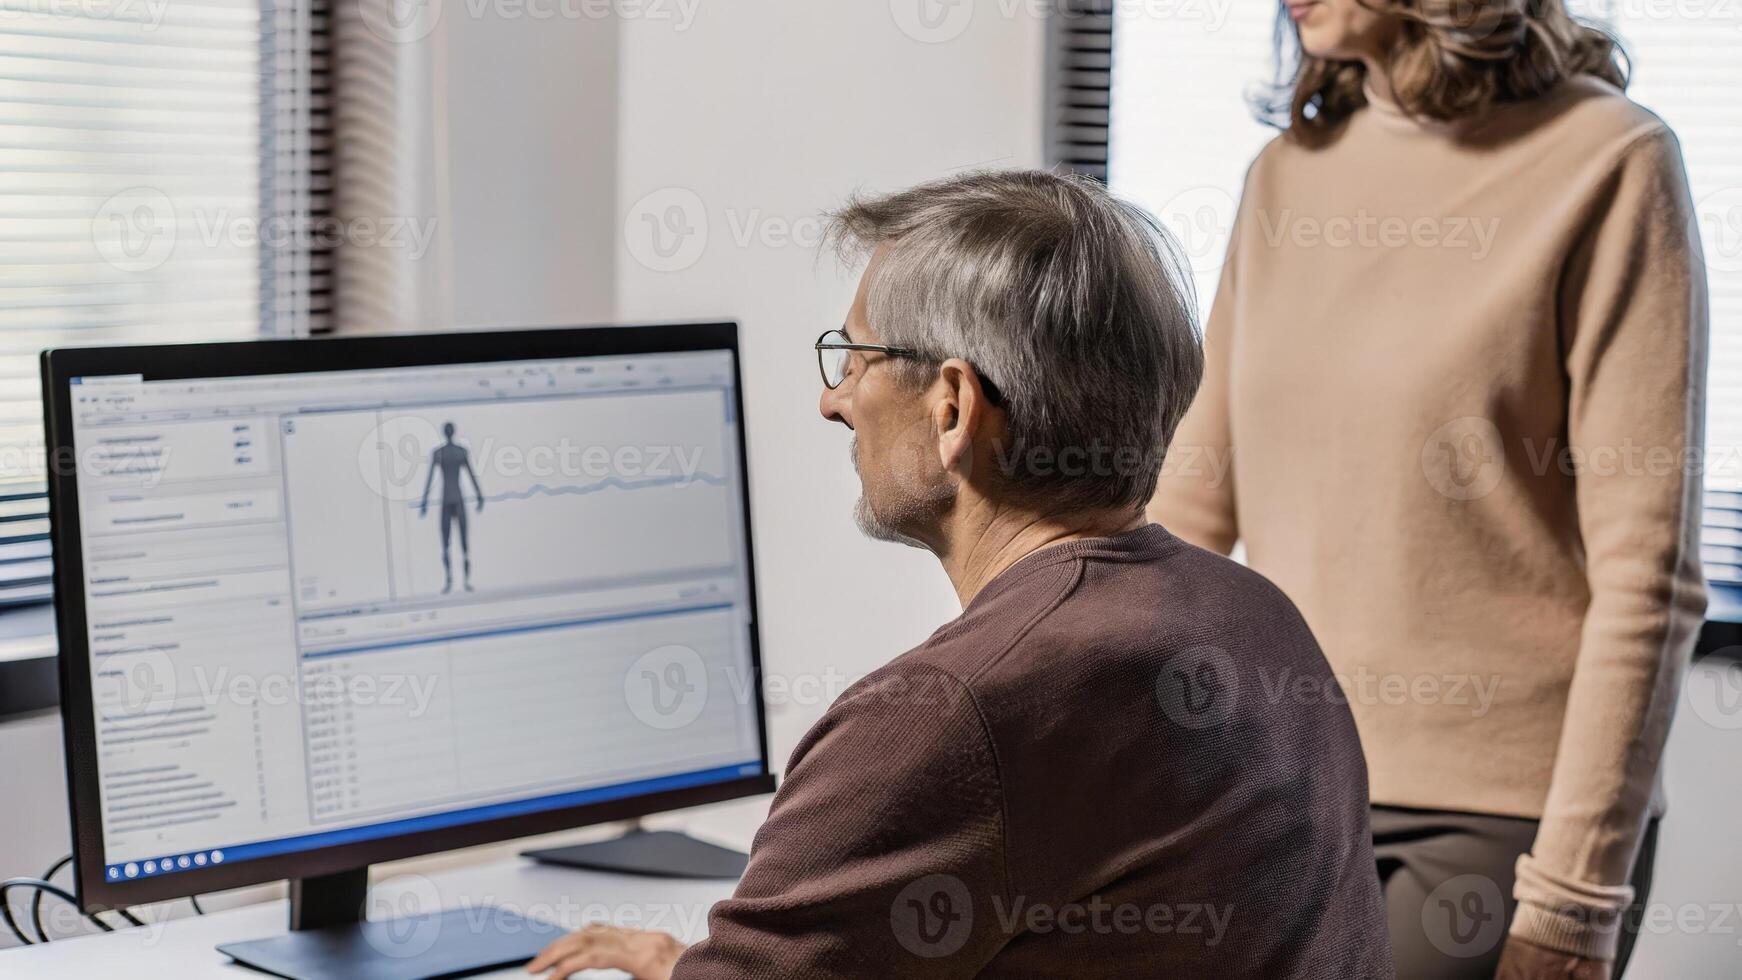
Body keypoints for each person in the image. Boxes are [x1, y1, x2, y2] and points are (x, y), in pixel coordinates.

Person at [527, 170, 1393, 979]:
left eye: (854, 360)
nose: (833, 400)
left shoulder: (947, 716)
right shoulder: (1257, 617)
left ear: (952, 407)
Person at [1147, 2, 1708, 977]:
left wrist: (1570, 899)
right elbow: (1189, 506)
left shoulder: (1607, 159)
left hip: (1499, 814)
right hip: (1281, 782)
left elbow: (1646, 573)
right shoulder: (1285, 175)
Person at [418, 421, 485, 593]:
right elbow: (471, 475)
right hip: (457, 499)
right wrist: (479, 495)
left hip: (447, 500)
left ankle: (453, 581)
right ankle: (462, 581)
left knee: (449, 543)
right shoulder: (459, 452)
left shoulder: (439, 453)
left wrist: (424, 501)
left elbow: (430, 479)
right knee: (460, 542)